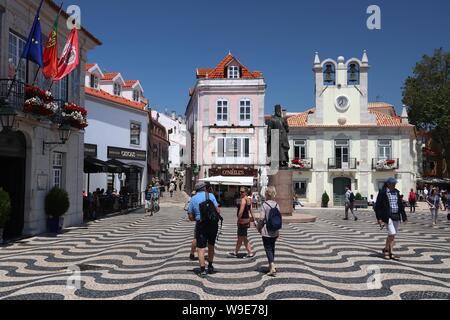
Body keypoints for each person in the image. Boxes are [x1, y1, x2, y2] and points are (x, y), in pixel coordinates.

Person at [187, 182, 221, 277]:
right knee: (211, 245)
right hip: (213, 224)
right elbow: (218, 210)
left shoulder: (193, 199)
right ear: (204, 188)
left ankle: (202, 269)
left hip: (201, 224)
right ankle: (210, 266)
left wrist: (197, 219)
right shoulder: (211, 195)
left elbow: (190, 216)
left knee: (201, 247)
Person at [375, 177, 408, 260]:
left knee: (392, 235)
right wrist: (379, 219)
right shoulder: (383, 193)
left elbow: (400, 206)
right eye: (393, 184)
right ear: (388, 184)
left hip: (396, 216)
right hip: (387, 216)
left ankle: (390, 252)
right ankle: (386, 249)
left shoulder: (397, 192)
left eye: (395, 184)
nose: (394, 185)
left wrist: (404, 217)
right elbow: (377, 206)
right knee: (392, 233)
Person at [257, 186, 281, 276]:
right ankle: (271, 266)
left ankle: (272, 266)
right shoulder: (276, 204)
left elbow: (262, 218)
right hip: (274, 230)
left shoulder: (265, 205)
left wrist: (259, 227)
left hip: (266, 230)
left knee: (268, 248)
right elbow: (278, 218)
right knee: (272, 247)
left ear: (266, 194)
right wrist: (278, 230)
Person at [230, 187, 256, 259]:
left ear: (246, 192)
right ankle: (238, 252)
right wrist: (254, 220)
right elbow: (251, 211)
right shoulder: (249, 200)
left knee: (241, 237)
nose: (241, 193)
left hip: (242, 221)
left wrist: (238, 219)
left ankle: (239, 252)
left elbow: (241, 212)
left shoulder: (243, 200)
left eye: (242, 192)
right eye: (240, 191)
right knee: (243, 237)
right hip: (247, 220)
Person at [185, 191, 198, 261]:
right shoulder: (210, 197)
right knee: (210, 240)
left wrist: (195, 219)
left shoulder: (193, 199)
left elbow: (190, 215)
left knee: (196, 238)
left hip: (199, 222)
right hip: (209, 223)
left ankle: (192, 253)